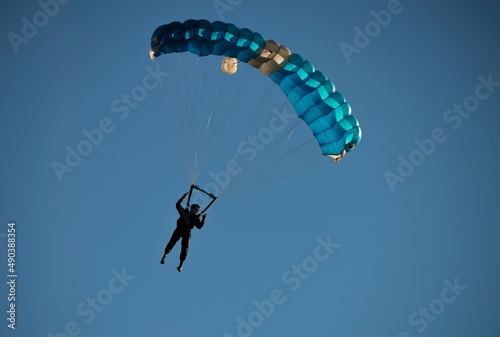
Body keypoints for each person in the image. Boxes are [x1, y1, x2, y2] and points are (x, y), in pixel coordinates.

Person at [160, 191, 207, 272]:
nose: (194, 210)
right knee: (172, 242)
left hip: (187, 233)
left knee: (185, 248)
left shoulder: (196, 218)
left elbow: (199, 227)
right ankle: (165, 255)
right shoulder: (185, 212)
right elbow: (177, 205)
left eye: (196, 210)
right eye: (194, 208)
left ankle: (180, 265)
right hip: (179, 229)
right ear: (192, 208)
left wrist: (203, 219)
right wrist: (183, 197)